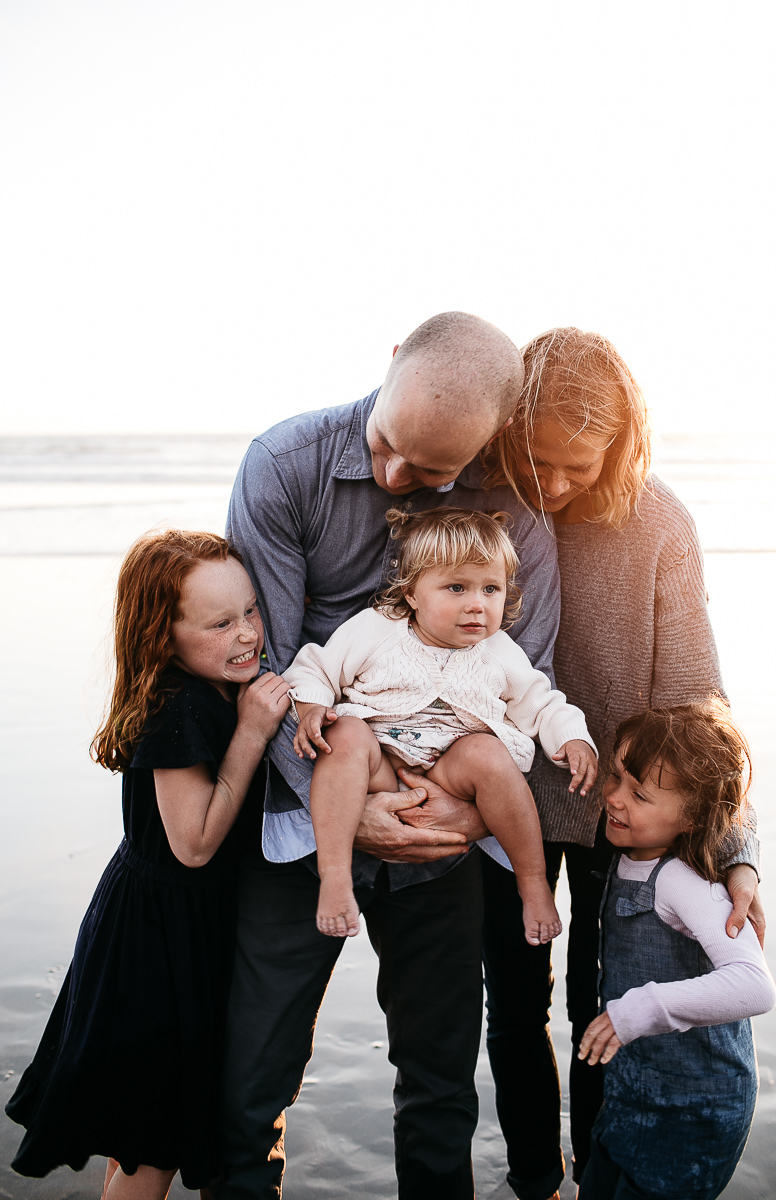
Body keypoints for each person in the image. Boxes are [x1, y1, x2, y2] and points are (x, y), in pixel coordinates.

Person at [217, 311, 561, 1200]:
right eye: (390, 446)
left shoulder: (514, 512)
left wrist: (458, 809)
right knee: (252, 1081)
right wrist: (352, 811)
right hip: (306, 818)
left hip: (443, 826)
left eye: (433, 471)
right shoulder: (284, 466)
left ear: (487, 447)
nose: (396, 477)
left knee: (441, 1086)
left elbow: (529, 676)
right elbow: (271, 664)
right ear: (393, 357)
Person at [455, 327, 763, 1200]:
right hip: (501, 800)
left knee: (602, 1011)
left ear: (621, 445)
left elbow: (701, 703)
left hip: (619, 814)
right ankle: (532, 1182)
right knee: (512, 1007)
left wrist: (734, 850)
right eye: (538, 459)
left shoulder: (660, 522)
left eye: (577, 468)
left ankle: (596, 1175)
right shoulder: (488, 497)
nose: (551, 485)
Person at [5, 530, 289, 1200]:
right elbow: (193, 843)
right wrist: (250, 734)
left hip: (178, 926)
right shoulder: (178, 704)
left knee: (140, 1135)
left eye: (251, 610)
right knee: (151, 1142)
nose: (246, 633)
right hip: (157, 944)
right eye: (220, 623)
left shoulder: (216, 685)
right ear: (165, 636)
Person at [287, 507, 597, 942]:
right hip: (380, 761)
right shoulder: (376, 630)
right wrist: (313, 706)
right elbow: (315, 668)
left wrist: (573, 737)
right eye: (456, 587)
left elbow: (542, 704)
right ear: (412, 593)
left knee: (488, 753)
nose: (477, 604)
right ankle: (334, 875)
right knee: (345, 736)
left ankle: (532, 883)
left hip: (449, 771)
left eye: (491, 589)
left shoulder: (499, 650)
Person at [577, 702, 776, 1199]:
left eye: (639, 794)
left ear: (692, 818)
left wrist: (646, 1007)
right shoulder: (630, 858)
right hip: (631, 1096)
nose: (615, 798)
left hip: (693, 1114)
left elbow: (755, 986)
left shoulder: (685, 882)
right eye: (616, 776)